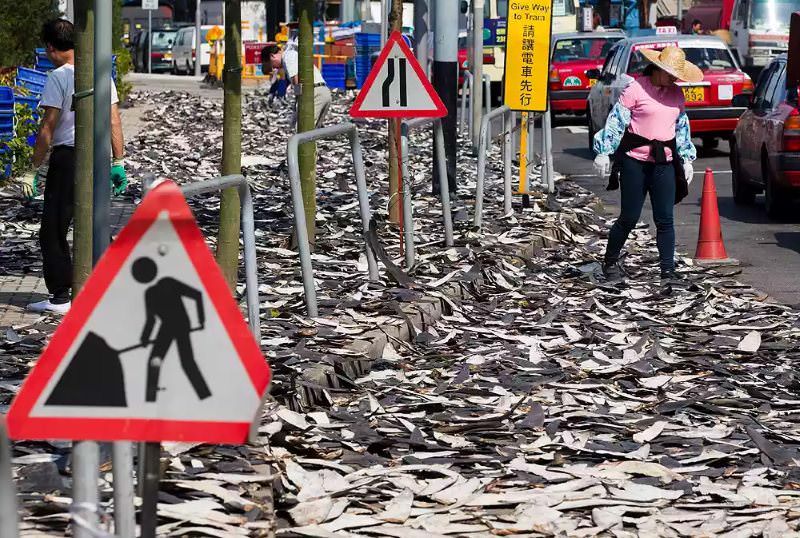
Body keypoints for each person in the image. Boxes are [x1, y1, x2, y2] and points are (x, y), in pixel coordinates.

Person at [22, 19, 126, 315]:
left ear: (51, 47)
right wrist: (118, 161)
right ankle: (114, 285)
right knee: (97, 223)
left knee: (53, 229)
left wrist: (32, 169)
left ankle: (60, 296)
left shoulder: (58, 77)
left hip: (68, 159)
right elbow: (115, 119)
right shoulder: (101, 74)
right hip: (99, 158)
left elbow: (47, 128)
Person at [592, 46, 701, 282]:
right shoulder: (636, 89)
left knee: (665, 219)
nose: (674, 79)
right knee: (629, 217)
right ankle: (610, 261)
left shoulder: (676, 95)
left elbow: (682, 129)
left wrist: (686, 159)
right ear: (658, 69)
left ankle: (667, 271)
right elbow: (616, 122)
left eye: (677, 75)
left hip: (664, 163)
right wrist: (604, 152)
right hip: (635, 161)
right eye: (670, 73)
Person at [133, 256, 210, 403]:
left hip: (180, 325)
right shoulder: (150, 292)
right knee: (160, 361)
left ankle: (204, 395)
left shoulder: (166, 284)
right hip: (168, 327)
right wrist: (144, 338)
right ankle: (150, 399)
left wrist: (201, 319)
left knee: (186, 361)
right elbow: (151, 320)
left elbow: (197, 295)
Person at [261, 43, 331, 129]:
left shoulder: (288, 57)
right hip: (323, 91)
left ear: (272, 56)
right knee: (313, 131)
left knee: (303, 129)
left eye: (272, 64)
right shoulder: (292, 55)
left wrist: (299, 98)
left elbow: (296, 78)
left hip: (314, 92)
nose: (274, 68)